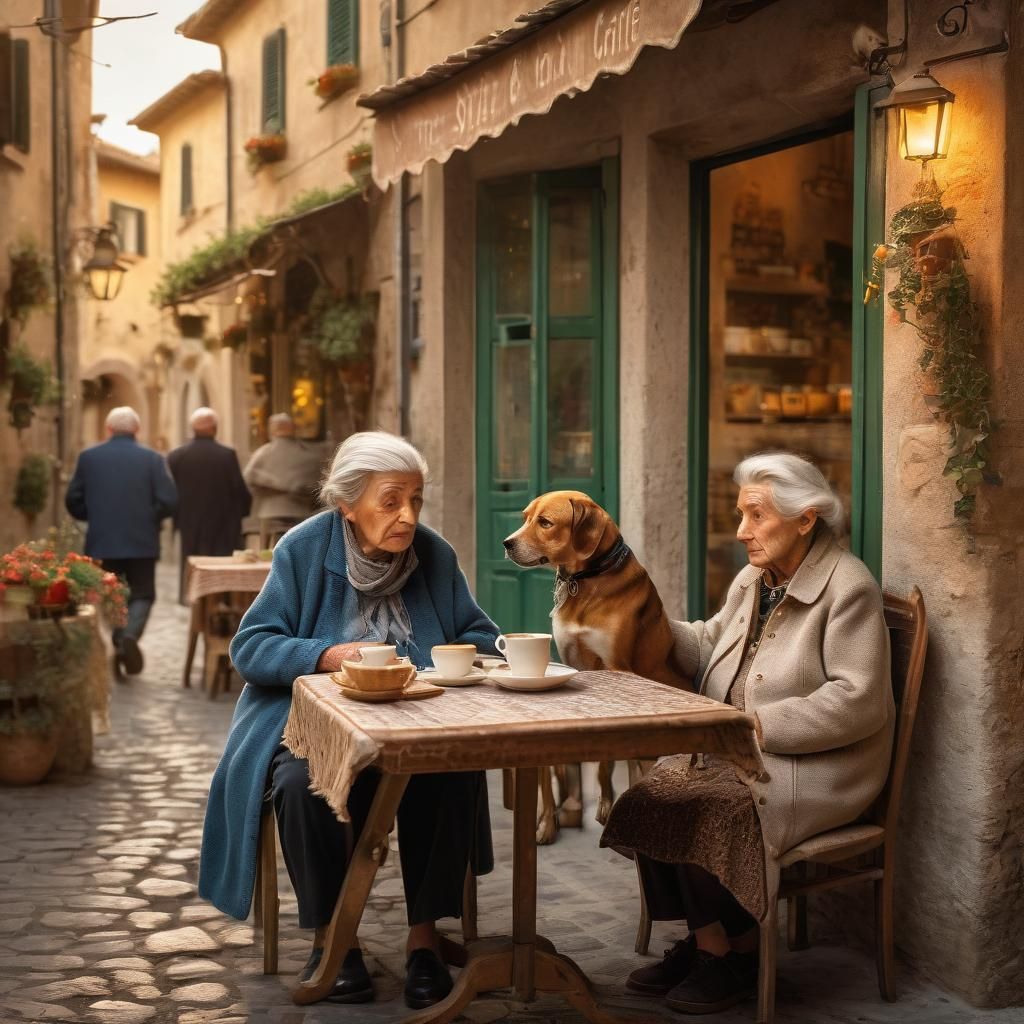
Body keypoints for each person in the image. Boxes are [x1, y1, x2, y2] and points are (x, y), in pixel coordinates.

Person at [199, 431, 500, 1008]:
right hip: (314, 726)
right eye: (391, 501)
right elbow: (252, 646)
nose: (408, 516)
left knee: (454, 770)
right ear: (347, 502)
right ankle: (335, 945)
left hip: (418, 724)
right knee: (300, 782)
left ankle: (424, 944)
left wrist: (461, 659)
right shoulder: (302, 549)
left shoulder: (433, 554)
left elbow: (480, 635)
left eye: (416, 499)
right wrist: (324, 655)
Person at [601, 452, 894, 1014]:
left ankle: (732, 957)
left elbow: (857, 702)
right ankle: (711, 940)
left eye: (756, 516)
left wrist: (755, 725)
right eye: (740, 515)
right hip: (733, 752)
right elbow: (709, 641)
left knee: (707, 806)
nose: (741, 532)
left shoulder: (848, 588)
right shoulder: (755, 579)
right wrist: (646, 622)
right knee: (653, 791)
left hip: (813, 765)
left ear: (805, 518)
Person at [65, 405, 178, 679]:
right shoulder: (152, 459)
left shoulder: (89, 457)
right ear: (137, 430)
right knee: (142, 594)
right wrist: (149, 518)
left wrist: (93, 515)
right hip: (141, 541)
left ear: (109, 429)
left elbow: (73, 500)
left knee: (107, 594)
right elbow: (170, 500)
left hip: (102, 541)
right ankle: (128, 635)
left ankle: (118, 640)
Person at [167, 407, 252, 603]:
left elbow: (170, 492)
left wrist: (176, 517)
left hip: (189, 520)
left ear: (192, 429)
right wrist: (243, 512)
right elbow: (238, 488)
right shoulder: (226, 455)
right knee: (221, 562)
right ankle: (220, 598)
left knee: (191, 559)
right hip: (223, 520)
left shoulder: (177, 456)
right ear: (214, 429)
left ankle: (191, 595)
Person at [242, 412, 326, 530]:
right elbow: (318, 484)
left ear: (272, 429)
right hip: (301, 512)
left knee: (271, 547)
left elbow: (247, 478)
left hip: (270, 512)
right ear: (293, 429)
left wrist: (272, 484)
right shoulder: (307, 453)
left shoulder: (263, 452)